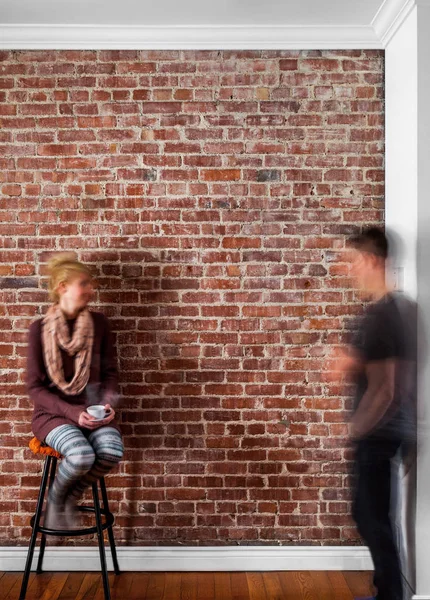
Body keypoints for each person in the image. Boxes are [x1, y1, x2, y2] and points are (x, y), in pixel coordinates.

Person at [333, 228, 417, 600]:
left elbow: (386, 388)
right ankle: (387, 592)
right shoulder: (400, 309)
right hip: (388, 435)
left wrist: (355, 429)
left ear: (370, 261)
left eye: (351, 262)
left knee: (372, 519)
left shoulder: (382, 315)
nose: (347, 270)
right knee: (372, 517)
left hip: (378, 436)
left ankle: (390, 596)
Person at [26, 253, 124, 528]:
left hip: (94, 413)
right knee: (81, 455)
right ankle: (56, 500)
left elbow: (109, 374)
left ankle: (70, 497)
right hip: (53, 415)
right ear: (63, 287)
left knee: (111, 451)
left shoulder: (100, 324)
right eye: (84, 283)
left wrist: (107, 405)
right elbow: (35, 388)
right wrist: (72, 412)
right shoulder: (40, 330)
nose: (91, 290)